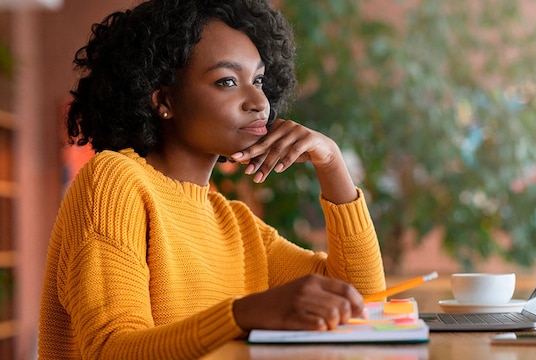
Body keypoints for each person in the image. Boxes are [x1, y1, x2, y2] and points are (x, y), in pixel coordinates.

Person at [38, 0, 386, 358]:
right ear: (164, 100)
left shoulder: (234, 223)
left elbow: (363, 301)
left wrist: (331, 163)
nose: (258, 101)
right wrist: (242, 314)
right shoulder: (114, 181)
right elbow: (110, 350)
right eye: (227, 81)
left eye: (259, 80)